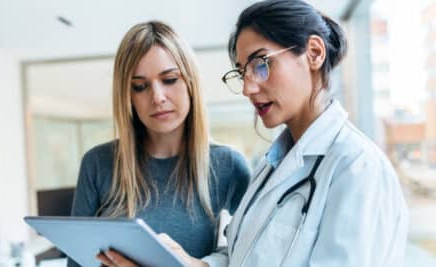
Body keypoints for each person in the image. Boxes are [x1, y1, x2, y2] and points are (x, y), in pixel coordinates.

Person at [104, 1, 409, 266]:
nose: (249, 87)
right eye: (242, 72)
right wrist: (188, 263)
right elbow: (243, 257)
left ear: (314, 53)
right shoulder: (270, 167)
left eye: (260, 64)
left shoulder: (355, 167)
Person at [68, 21, 251, 267]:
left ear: (190, 83)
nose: (157, 97)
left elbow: (254, 254)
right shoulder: (98, 164)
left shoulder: (227, 165)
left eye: (170, 79)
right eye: (140, 86)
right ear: (128, 96)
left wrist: (199, 265)